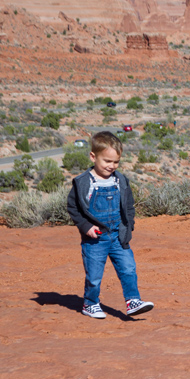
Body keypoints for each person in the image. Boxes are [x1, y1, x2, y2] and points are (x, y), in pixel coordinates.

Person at [67, 131, 153, 319]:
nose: (111, 166)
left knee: (128, 268)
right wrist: (85, 226)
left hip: (118, 235)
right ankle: (90, 304)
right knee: (94, 275)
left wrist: (129, 226)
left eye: (115, 162)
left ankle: (133, 301)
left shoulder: (120, 180)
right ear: (93, 156)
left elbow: (129, 205)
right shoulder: (83, 182)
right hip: (95, 238)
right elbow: (72, 206)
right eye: (107, 161)